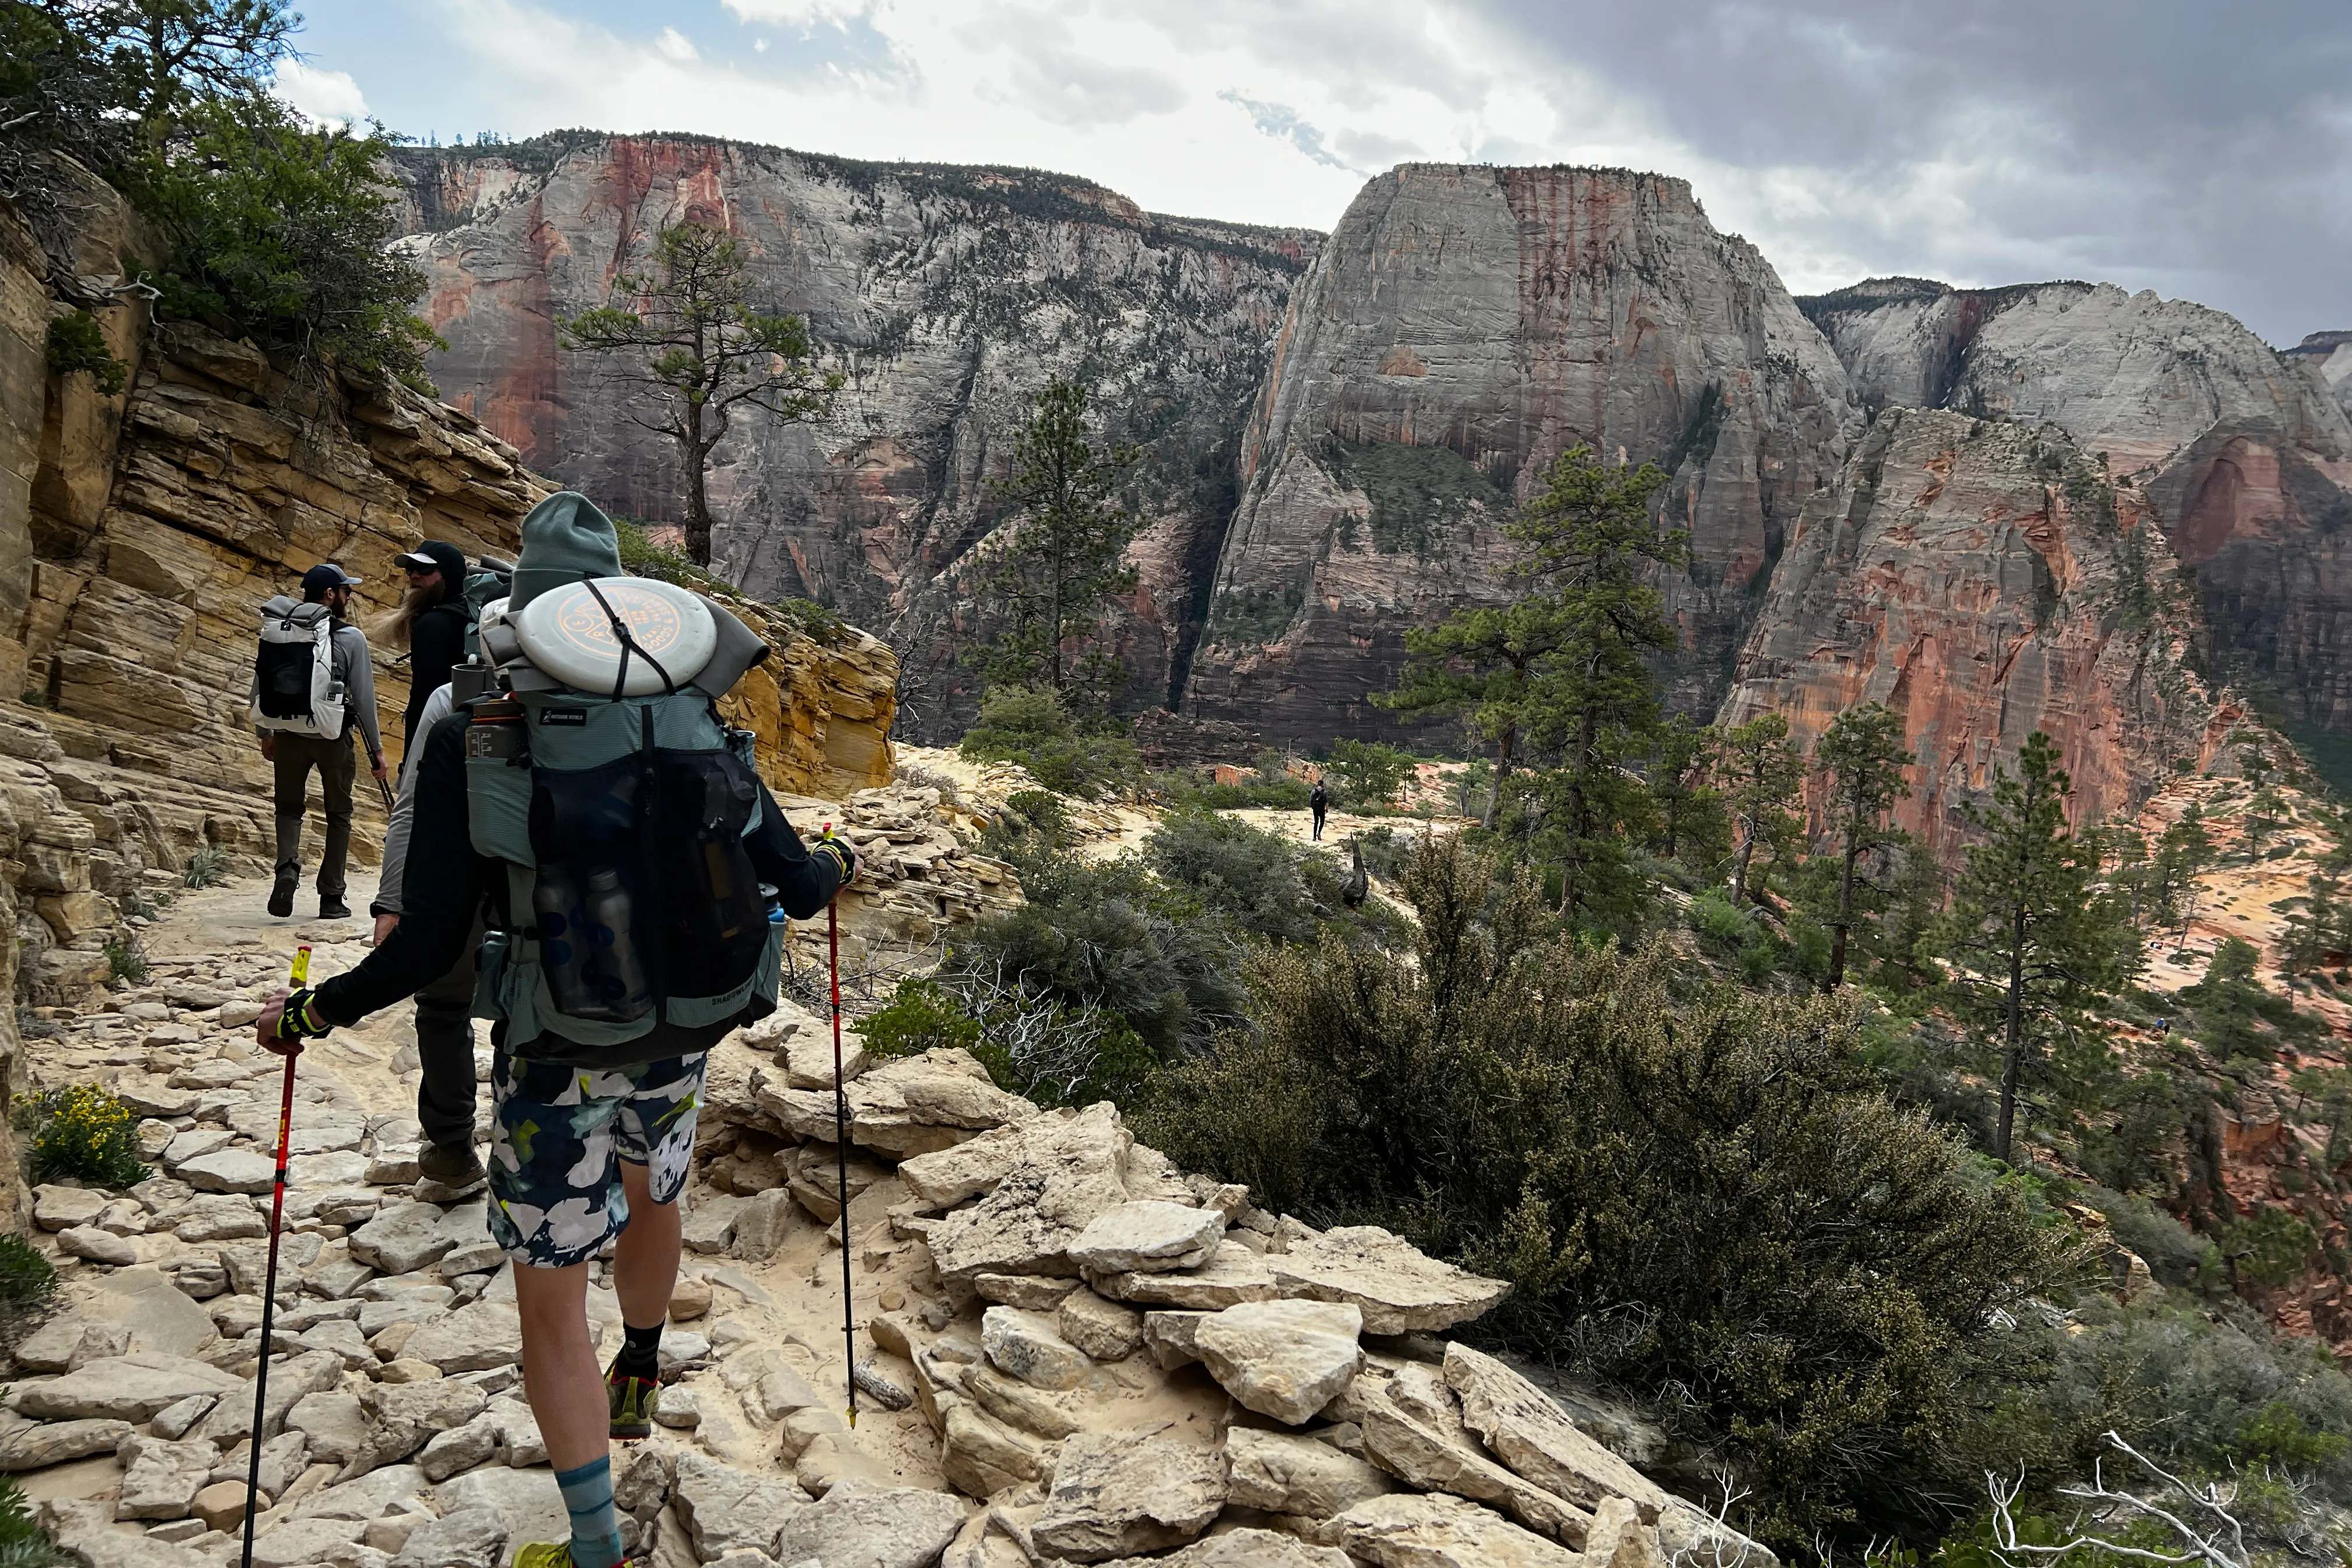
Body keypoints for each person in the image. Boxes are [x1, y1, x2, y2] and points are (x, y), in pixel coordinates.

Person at [258, 496, 855, 1568]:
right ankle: (643, 1359)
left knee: (547, 1300)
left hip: (551, 1049)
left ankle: (595, 1545)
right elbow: (799, 886)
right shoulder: (690, 706)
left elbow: (427, 935)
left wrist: (314, 1011)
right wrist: (837, 865)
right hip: (682, 1031)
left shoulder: (477, 714)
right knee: (654, 1191)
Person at [374, 677, 486, 1194]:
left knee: (444, 1006)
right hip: (572, 891)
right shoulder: (613, 683)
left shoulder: (456, 697)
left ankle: (452, 1148)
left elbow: (412, 806)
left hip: (463, 884)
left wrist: (393, 901)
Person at [259, 563, 387, 920]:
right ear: (331, 594)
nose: (349, 597)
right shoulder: (350, 638)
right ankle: (331, 897)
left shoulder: (280, 630)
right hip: (332, 737)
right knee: (339, 815)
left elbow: (261, 681)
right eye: (346, 591)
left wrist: (265, 733)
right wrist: (376, 750)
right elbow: (363, 698)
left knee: (288, 808)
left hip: (286, 734)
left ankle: (287, 869)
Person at [380, 540, 472, 758]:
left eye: (425, 568)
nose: (414, 575)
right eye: (410, 569)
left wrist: (409, 759)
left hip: (438, 743)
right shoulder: (469, 615)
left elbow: (423, 700)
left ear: (448, 574)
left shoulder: (433, 624)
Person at [1310, 776, 1329, 842]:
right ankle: (1319, 833)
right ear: (1323, 785)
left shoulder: (1313, 791)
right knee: (1322, 822)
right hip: (1321, 809)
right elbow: (1326, 801)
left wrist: (1312, 807)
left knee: (1316, 823)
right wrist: (1327, 809)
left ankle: (1314, 837)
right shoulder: (1325, 792)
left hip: (1315, 809)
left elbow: (1311, 800)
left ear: (1318, 784)